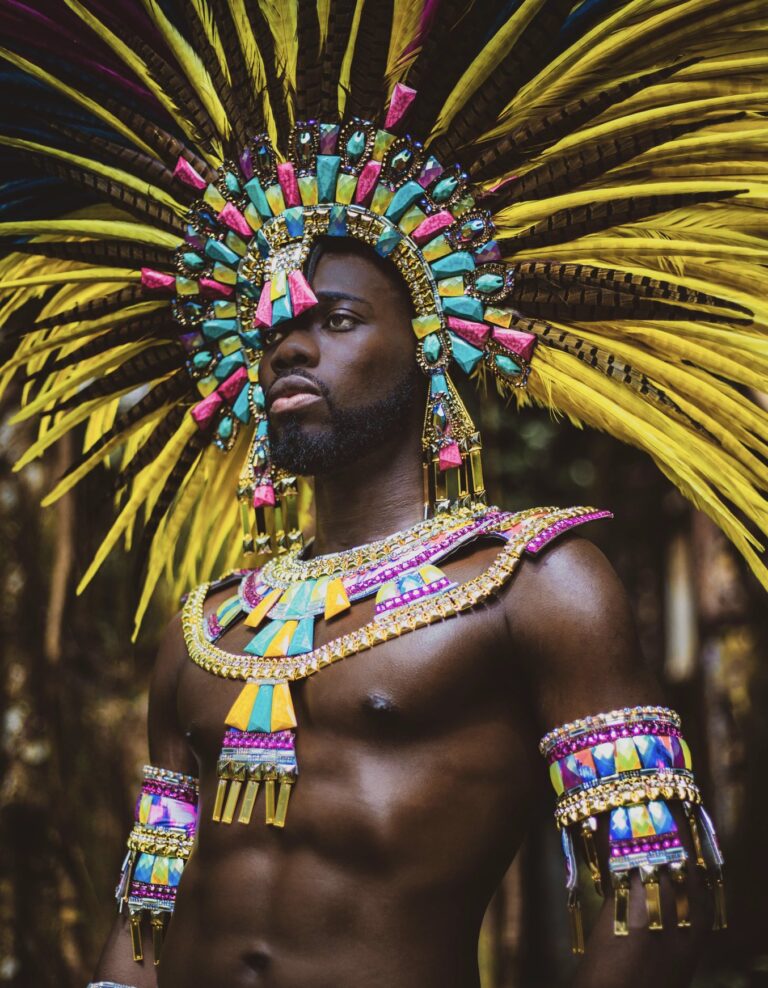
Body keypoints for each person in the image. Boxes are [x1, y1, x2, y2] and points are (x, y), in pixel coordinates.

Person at [0, 2, 762, 986]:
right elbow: (149, 901)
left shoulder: (537, 583)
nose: (290, 345)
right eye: (271, 329)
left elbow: (656, 897)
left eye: (341, 318)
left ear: (429, 339)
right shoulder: (206, 625)